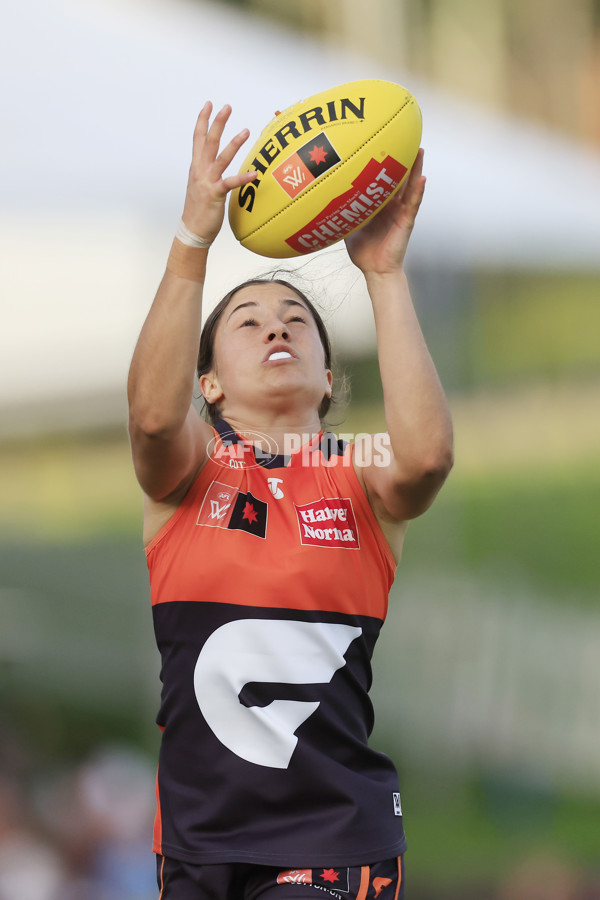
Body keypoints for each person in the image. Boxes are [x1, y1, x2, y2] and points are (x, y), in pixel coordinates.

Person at [128, 101, 453, 900]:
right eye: (247, 320)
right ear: (209, 383)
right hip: (201, 851)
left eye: (297, 319)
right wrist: (193, 240)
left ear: (331, 378)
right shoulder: (190, 474)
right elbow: (149, 417)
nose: (276, 326)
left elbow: (428, 457)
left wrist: (383, 274)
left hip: (335, 839)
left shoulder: (357, 472)